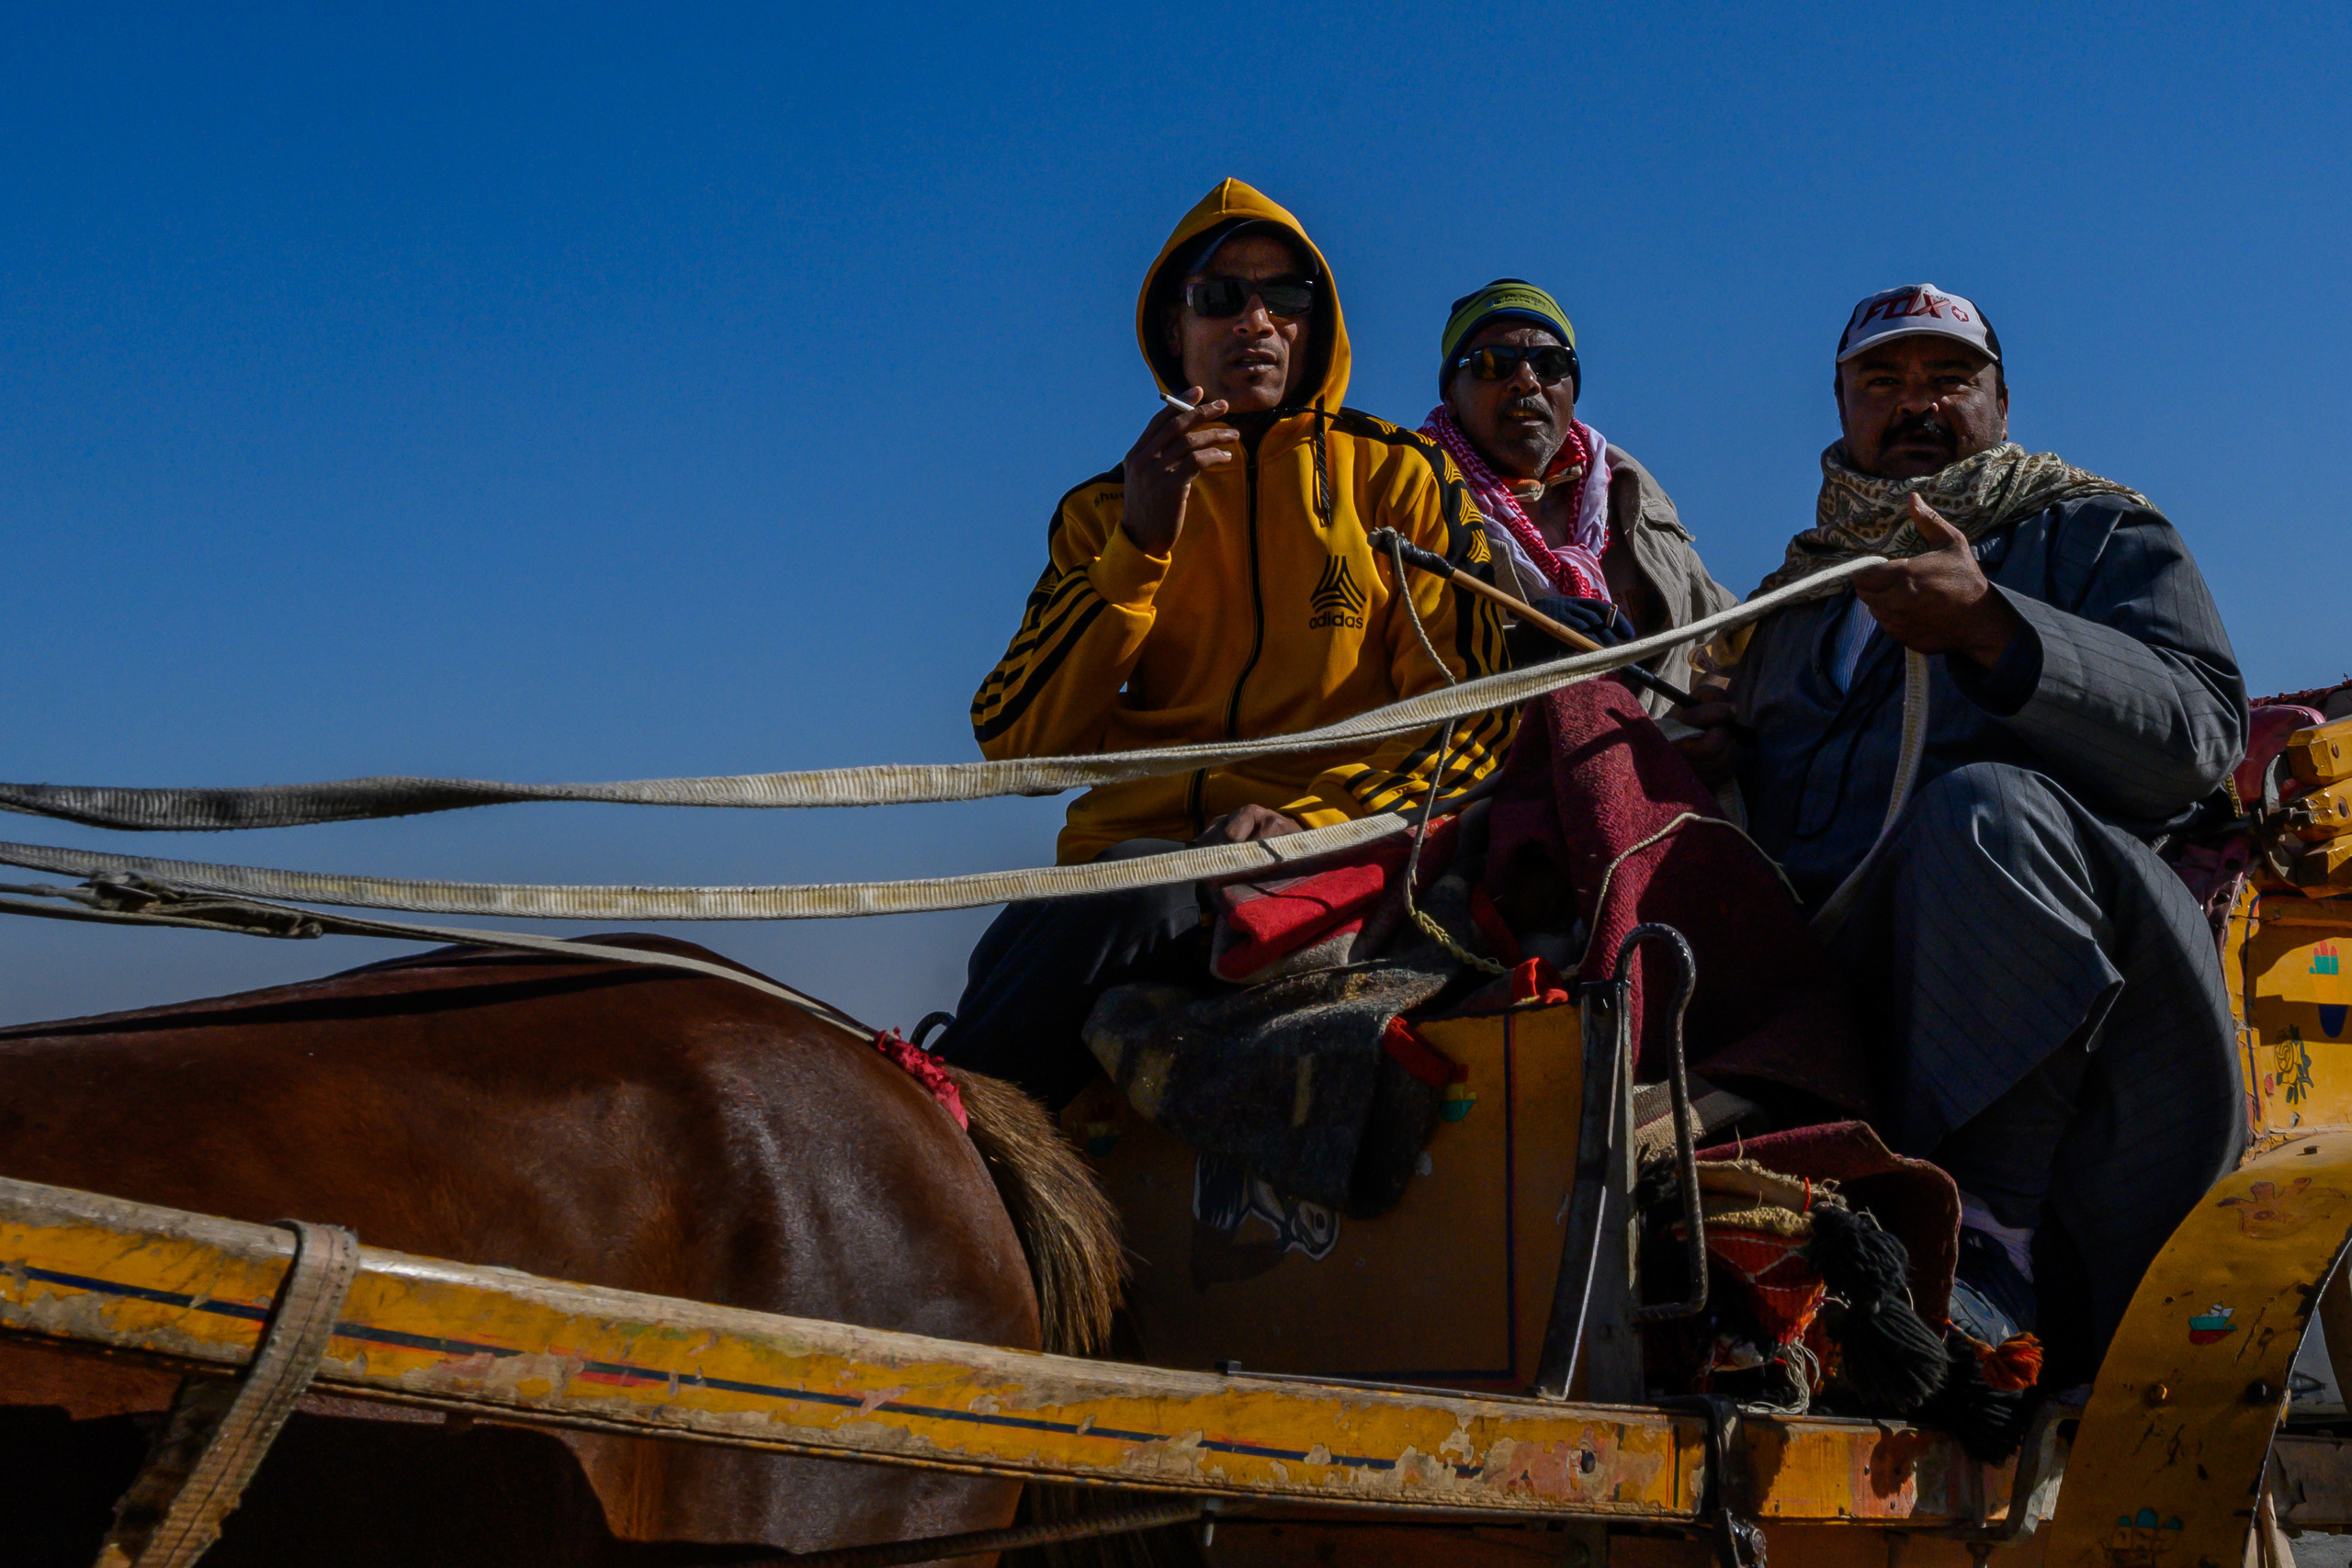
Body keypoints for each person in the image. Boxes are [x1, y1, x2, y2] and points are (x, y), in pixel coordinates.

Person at [1705, 284, 2247, 1367]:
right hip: (1858, 992)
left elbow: (2200, 735)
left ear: (2001, 399)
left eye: (1949, 379)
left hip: (2098, 989)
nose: (1917, 405)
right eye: (1884, 382)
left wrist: (1993, 629)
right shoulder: (1796, 600)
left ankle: (1991, 1240)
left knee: (1981, 810)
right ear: (1841, 405)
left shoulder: (2096, 530)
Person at [936, 180, 1510, 1110]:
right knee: (1029, 929)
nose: (1257, 321)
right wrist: (1140, 548)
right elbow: (1014, 744)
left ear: (1312, 325)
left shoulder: (1399, 478)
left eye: (1285, 299)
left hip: (1325, 851)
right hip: (1122, 865)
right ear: (1174, 329)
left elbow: (1474, 721)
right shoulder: (1101, 511)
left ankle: (952, 1122)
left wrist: (1314, 823)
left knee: (1131, 895)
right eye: (1220, 298)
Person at [1419, 278, 1738, 773]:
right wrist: (1512, 651)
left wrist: (1716, 702)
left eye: (1549, 365)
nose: (1526, 381)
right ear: (1451, 395)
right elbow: (1368, 663)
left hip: (1666, 778)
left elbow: (1725, 633)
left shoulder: (1630, 491)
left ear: (1572, 387)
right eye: (1492, 364)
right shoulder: (1408, 494)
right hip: (1480, 790)